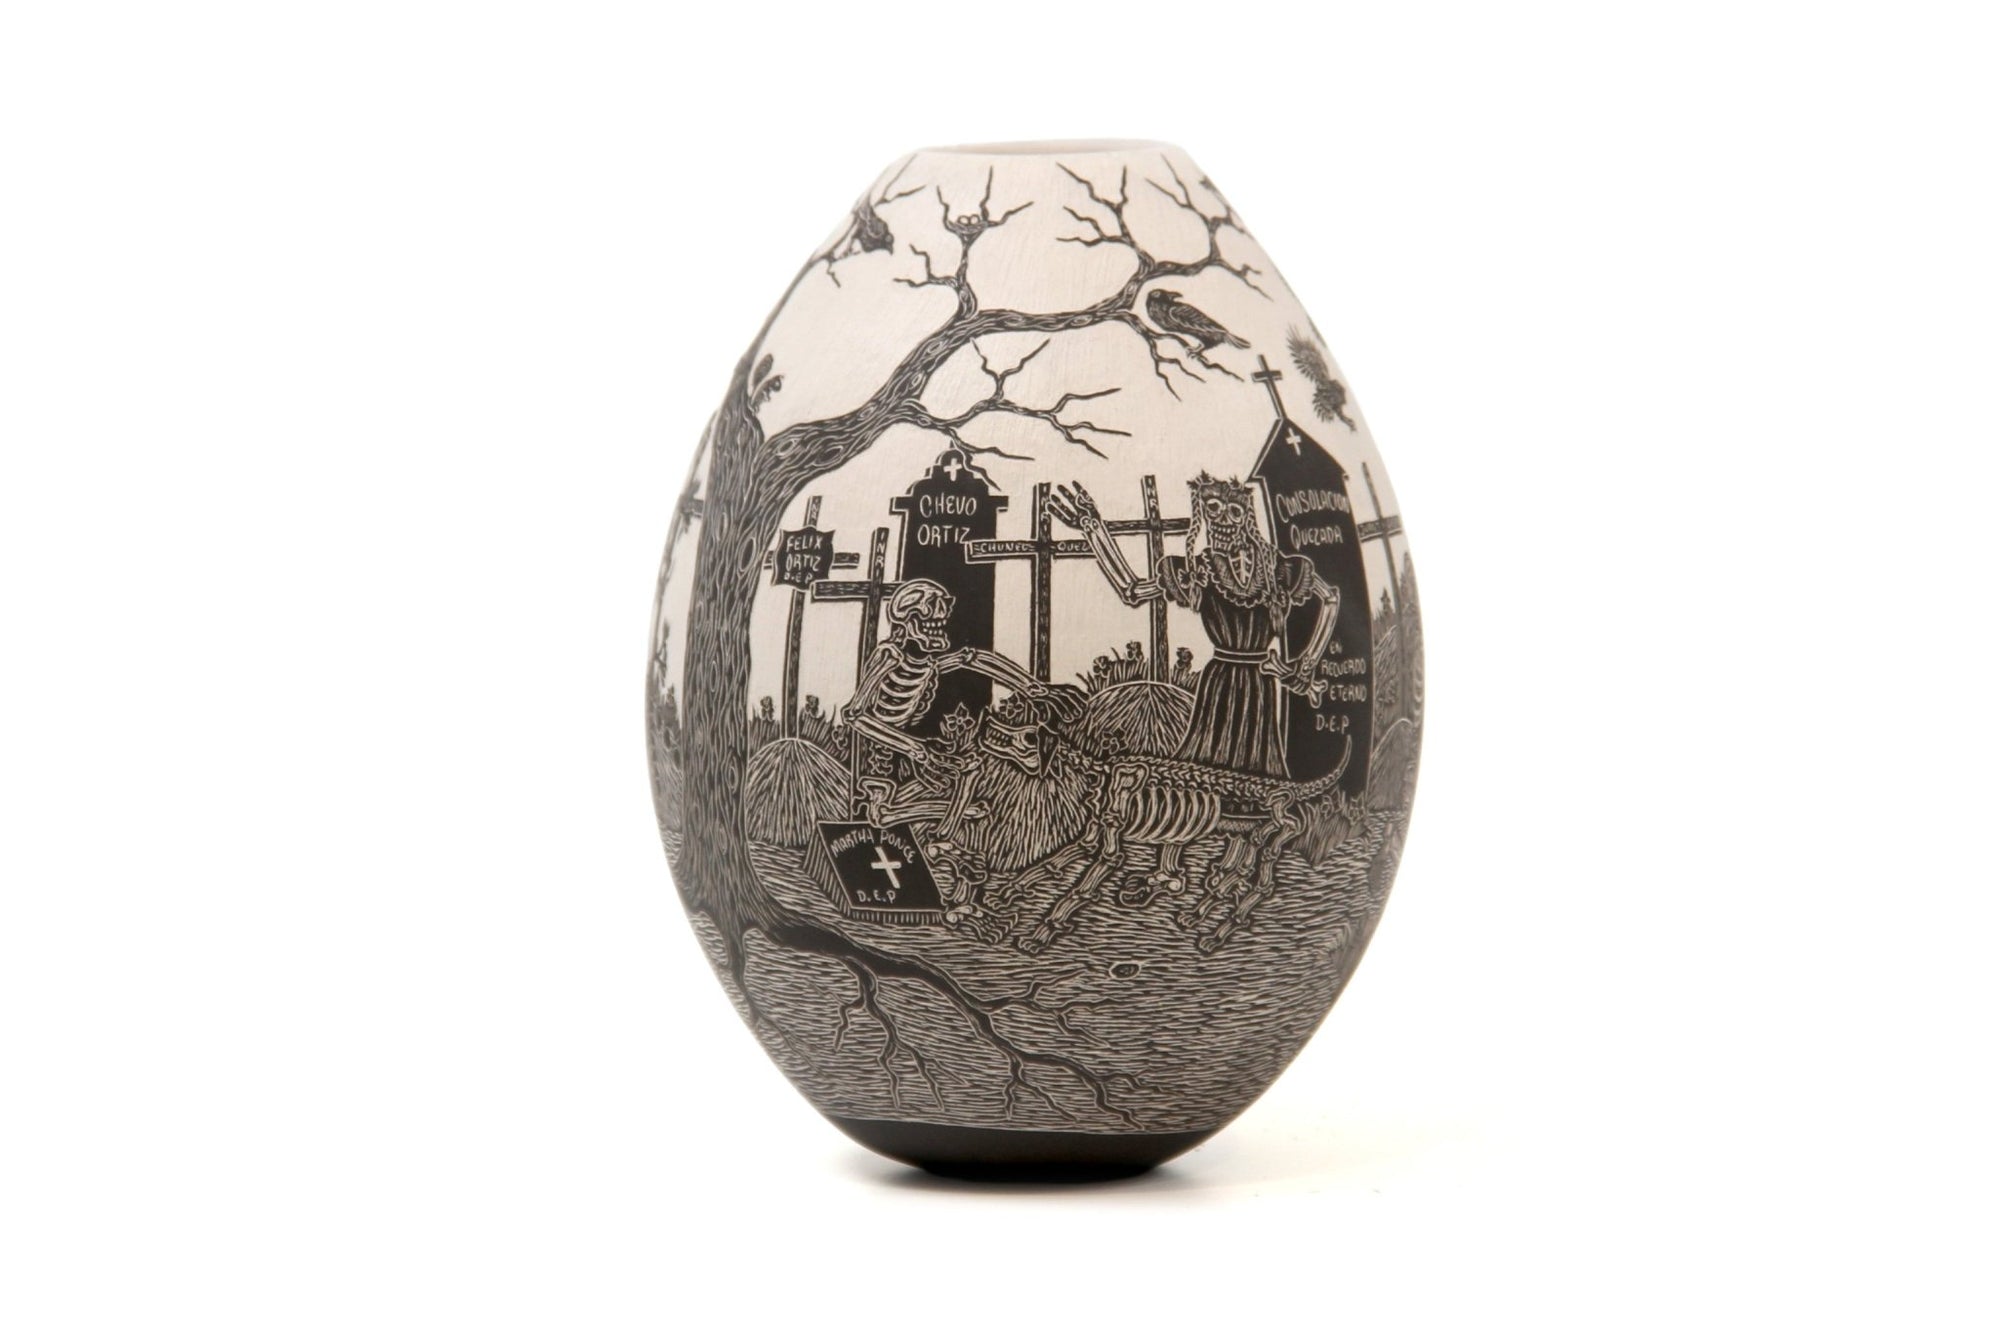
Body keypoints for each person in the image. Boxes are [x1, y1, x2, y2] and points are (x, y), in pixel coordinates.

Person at [1049, 473, 1338, 780]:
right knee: (1207, 773)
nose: (1224, 520)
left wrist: (1307, 663)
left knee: (1259, 772)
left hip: (1260, 683)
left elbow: (1331, 598)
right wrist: (1093, 528)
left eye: (1234, 511)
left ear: (1247, 518)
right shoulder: (1200, 571)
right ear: (1203, 515)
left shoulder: (1276, 568)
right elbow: (1131, 591)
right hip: (1220, 682)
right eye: (1213, 509)